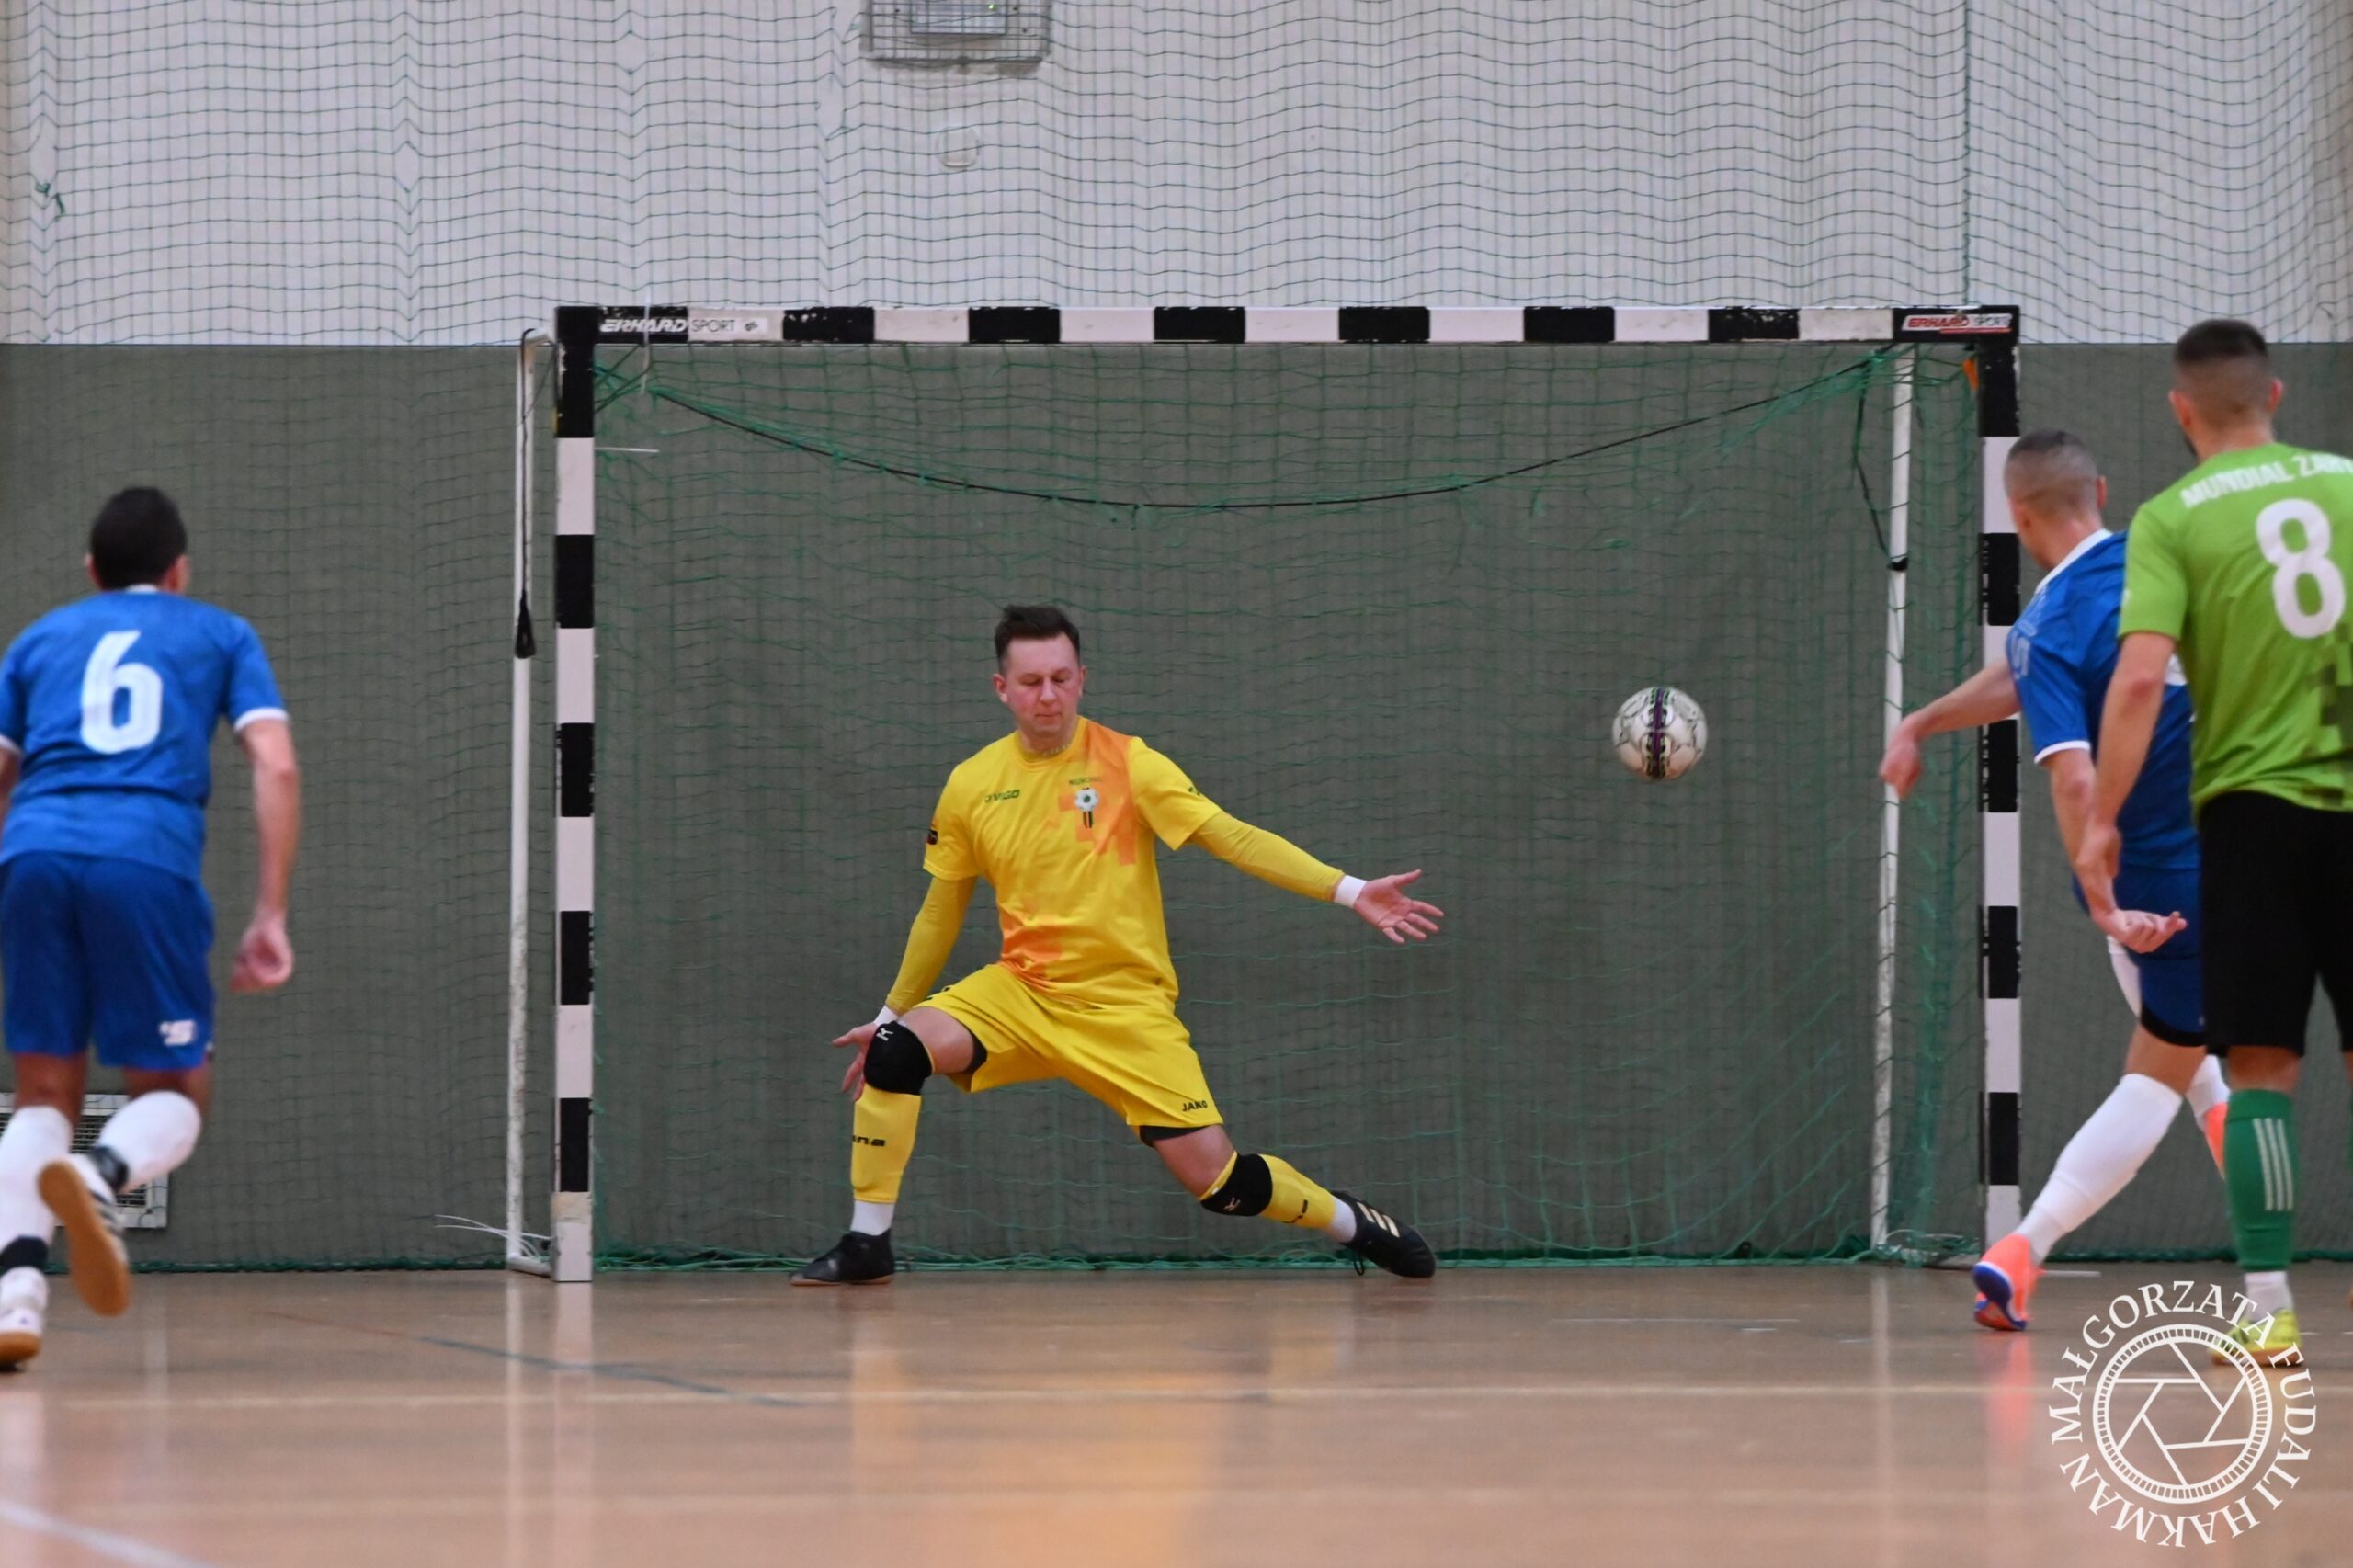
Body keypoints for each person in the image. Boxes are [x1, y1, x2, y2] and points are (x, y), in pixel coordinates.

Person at [798, 605, 1440, 1284]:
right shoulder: (971, 784)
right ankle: (868, 1244)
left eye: (1061, 678)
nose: (1048, 695)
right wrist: (891, 1014)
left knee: (1222, 1185)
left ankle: (1349, 1222)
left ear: (1083, 679)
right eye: (1031, 682)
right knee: (894, 1052)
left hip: (1126, 1010)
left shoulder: (1130, 764)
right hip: (1024, 992)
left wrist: (1349, 889)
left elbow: (1230, 835)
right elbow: (941, 909)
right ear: (1002, 689)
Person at [1881, 429, 2225, 1331]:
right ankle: (2261, 1280)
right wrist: (1925, 720)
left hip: (2160, 879)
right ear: (2100, 491)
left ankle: (2022, 1248)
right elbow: (2024, 680)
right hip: (2254, 837)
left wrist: (2105, 903)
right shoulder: (2168, 558)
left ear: (2017, 517)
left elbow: (2074, 776)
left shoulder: (2049, 622)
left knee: (2169, 1073)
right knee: (2203, 1067)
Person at [2077, 319, 2353, 1365]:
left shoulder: (2170, 518)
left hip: (2250, 817)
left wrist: (2101, 817)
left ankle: (2271, 1308)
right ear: (2274, 394)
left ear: (2179, 410)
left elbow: (2140, 679)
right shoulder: (2347, 485)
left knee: (2262, 1067)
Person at [0, 488, 299, 1368]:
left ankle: (15, 1299)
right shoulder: (220, 633)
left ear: (92, 572)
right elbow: (276, 764)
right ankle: (100, 1176)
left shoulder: (38, 640)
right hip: (144, 857)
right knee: (173, 1090)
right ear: (179, 572)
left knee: (42, 1093)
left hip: (33, 854)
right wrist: (269, 911)